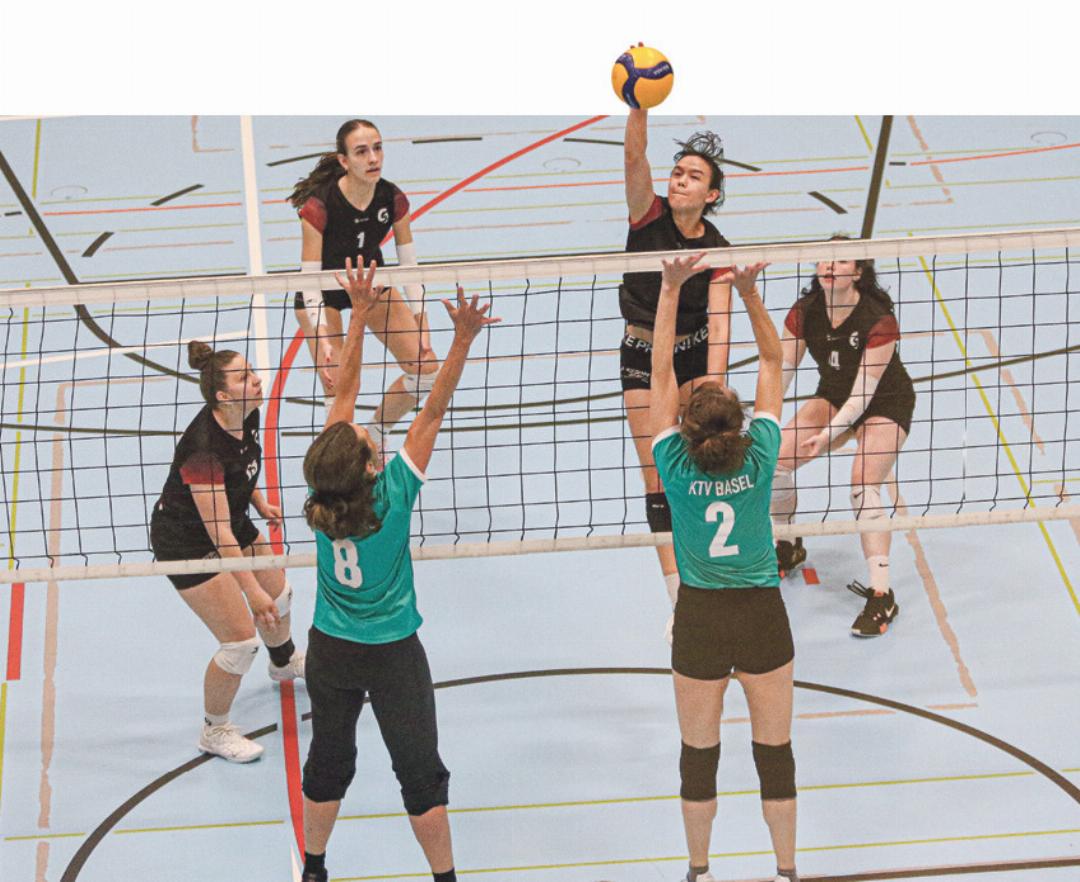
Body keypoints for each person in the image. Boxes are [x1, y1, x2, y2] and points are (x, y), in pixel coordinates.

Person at [298, 258, 499, 882]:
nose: (367, 432)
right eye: (368, 440)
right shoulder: (391, 497)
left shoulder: (320, 494)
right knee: (420, 775)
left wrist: (357, 315)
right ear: (368, 467)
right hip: (391, 653)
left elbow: (344, 393)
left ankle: (313, 869)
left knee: (329, 762)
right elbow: (431, 411)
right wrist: (461, 341)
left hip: (330, 649)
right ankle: (445, 878)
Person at [651, 253, 799, 882]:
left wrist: (670, 289)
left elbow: (660, 368)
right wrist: (748, 293)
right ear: (740, 426)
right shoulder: (761, 454)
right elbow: (773, 361)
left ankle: (700, 870)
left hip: (701, 621)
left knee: (698, 759)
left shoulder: (672, 463)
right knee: (776, 757)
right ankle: (786, 871)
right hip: (761, 615)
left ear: (686, 430)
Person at [149, 342, 303, 763]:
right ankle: (214, 731)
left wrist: (258, 500)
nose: (256, 380)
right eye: (243, 377)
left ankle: (284, 662)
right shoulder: (203, 448)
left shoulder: (245, 413)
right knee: (240, 642)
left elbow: (240, 466)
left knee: (280, 594)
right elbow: (217, 531)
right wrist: (250, 590)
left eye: (251, 371)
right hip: (187, 542)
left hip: (228, 517)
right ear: (223, 395)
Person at [619, 99, 734, 641]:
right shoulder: (648, 215)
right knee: (657, 476)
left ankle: (712, 572)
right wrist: (638, 107)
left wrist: (714, 386)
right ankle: (681, 601)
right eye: (678, 172)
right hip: (643, 355)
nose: (680, 180)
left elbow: (721, 321)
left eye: (693, 176)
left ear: (711, 195)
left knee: (704, 468)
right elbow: (634, 158)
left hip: (693, 355)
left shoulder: (717, 249)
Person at [771, 240, 915, 637]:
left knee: (863, 484)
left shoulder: (877, 319)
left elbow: (863, 397)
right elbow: (780, 374)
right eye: (825, 259)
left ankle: (881, 595)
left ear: (858, 272)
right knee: (773, 459)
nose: (830, 265)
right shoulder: (805, 312)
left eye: (842, 260)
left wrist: (827, 436)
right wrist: (765, 424)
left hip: (885, 402)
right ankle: (787, 543)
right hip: (833, 396)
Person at [290, 118, 439, 462]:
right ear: (344, 161)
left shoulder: (392, 198)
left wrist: (422, 322)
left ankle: (376, 433)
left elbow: (409, 266)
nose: (373, 158)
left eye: (377, 148)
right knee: (339, 385)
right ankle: (338, 470)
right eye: (361, 152)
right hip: (323, 292)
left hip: (370, 284)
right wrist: (323, 337)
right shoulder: (318, 206)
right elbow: (309, 278)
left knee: (427, 369)